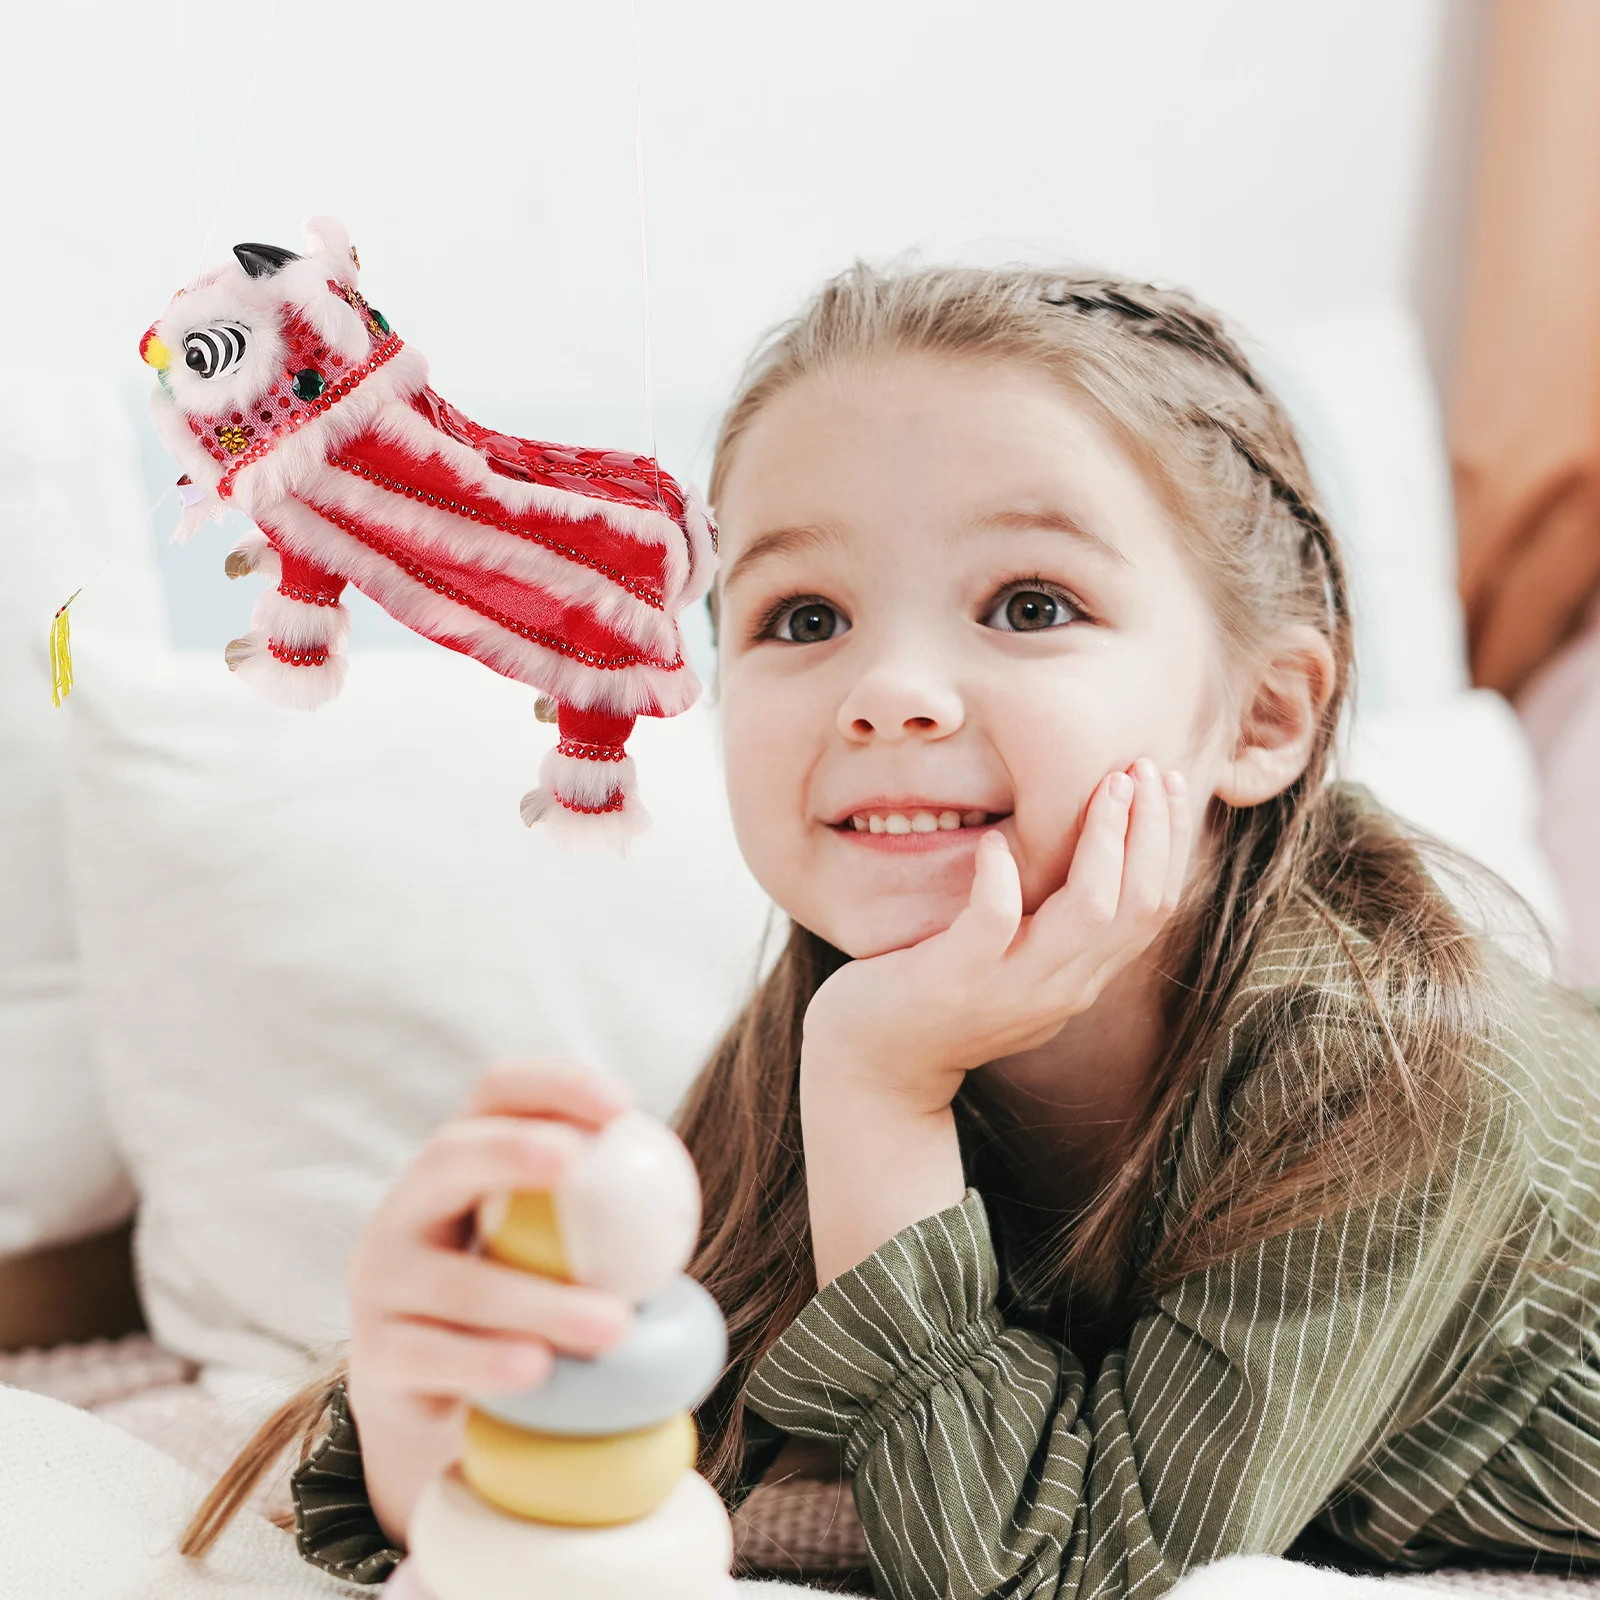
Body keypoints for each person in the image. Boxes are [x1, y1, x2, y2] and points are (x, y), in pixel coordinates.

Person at [182, 265, 1600, 1597]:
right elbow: (668, 1440)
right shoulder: (866, 1004)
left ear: (1264, 717)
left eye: (1029, 604)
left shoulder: (1390, 1064)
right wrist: (433, 1401)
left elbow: (1062, 1569)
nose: (891, 691)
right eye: (803, 616)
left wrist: (875, 1094)